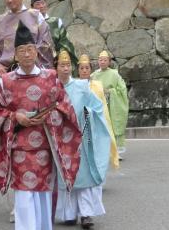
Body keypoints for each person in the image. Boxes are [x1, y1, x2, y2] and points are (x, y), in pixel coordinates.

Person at [0, 21, 81, 230]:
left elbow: (65, 108)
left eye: (30, 49)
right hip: (20, 149)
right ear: (15, 55)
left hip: (44, 149)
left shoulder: (51, 78)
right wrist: (15, 117)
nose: (27, 54)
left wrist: (47, 116)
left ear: (37, 52)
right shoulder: (7, 81)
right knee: (24, 198)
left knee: (43, 197)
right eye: (22, 50)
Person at [55, 51, 110, 229]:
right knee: (66, 177)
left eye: (67, 65)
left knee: (83, 176)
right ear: (55, 68)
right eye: (61, 65)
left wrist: (88, 115)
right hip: (62, 139)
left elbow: (96, 107)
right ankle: (69, 214)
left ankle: (86, 214)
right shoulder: (52, 89)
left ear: (71, 67)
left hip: (81, 137)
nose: (65, 68)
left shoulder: (81, 86)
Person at [78, 54, 120, 167]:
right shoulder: (75, 85)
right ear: (78, 70)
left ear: (90, 69)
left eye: (87, 68)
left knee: (97, 152)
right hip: (80, 123)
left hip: (95, 122)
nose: (84, 71)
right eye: (82, 68)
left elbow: (102, 107)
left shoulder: (97, 86)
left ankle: (98, 179)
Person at [31, 0, 78, 73]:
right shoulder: (29, 25)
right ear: (32, 8)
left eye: (43, 3)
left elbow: (64, 41)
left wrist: (59, 59)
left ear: (46, 5)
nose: (41, 6)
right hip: (34, 64)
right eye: (37, 4)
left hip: (55, 62)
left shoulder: (56, 22)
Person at [91, 50, 129, 155]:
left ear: (109, 62)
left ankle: (117, 152)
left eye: (105, 60)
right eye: (100, 60)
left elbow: (122, 89)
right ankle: (103, 151)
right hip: (99, 105)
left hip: (113, 105)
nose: (102, 62)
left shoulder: (114, 74)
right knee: (101, 127)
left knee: (113, 126)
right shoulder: (93, 75)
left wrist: (110, 92)